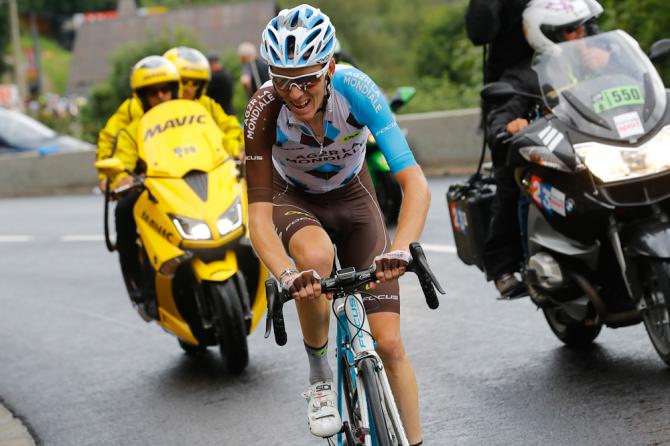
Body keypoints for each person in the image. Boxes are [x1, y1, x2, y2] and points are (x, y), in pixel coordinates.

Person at [244, 5, 430, 445]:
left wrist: (401, 248)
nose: (296, 93)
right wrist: (287, 277)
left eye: (307, 79)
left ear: (329, 66)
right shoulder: (263, 108)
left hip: (353, 195)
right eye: (283, 80)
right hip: (293, 199)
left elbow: (414, 183)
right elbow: (257, 217)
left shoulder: (355, 88)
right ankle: (320, 374)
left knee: (389, 344)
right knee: (314, 257)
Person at [485, 0, 603, 296]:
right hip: (559, 157)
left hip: (599, 148)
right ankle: (510, 265)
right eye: (571, 30)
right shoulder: (527, 74)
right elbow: (503, 110)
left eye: (583, 27)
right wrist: (509, 124)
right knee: (515, 185)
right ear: (547, 33)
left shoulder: (597, 61)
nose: (581, 35)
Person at [96, 55, 180, 308]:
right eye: (152, 92)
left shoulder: (195, 111)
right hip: (151, 182)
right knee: (124, 210)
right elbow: (116, 148)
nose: (161, 96)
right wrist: (115, 179)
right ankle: (136, 280)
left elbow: (224, 135)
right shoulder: (131, 120)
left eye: (166, 90)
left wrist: (239, 152)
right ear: (140, 95)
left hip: (192, 180)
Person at [163, 46, 244, 158]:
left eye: (195, 83)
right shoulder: (155, 105)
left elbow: (231, 127)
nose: (190, 89)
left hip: (208, 166)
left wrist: (233, 150)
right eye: (184, 82)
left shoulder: (206, 104)